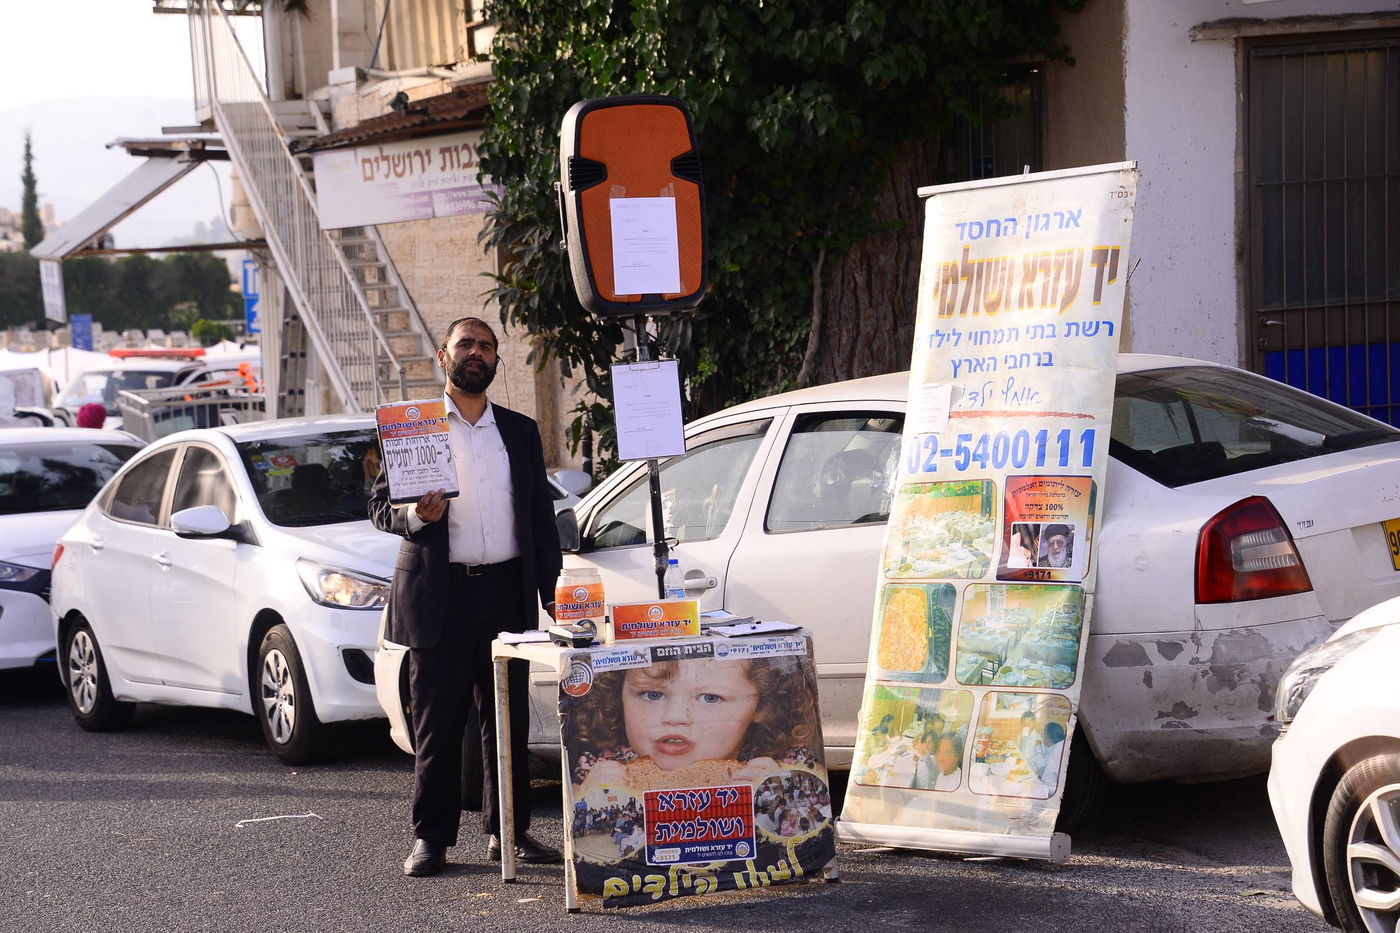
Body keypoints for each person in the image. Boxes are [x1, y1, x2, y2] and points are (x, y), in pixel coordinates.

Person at [368, 316, 563, 878]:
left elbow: (539, 518)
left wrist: (553, 596)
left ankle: (510, 832)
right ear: (443, 356)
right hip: (439, 595)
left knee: (508, 720)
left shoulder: (519, 431)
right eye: (466, 344)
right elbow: (379, 507)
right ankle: (431, 838)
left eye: (487, 346)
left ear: (496, 361)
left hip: (506, 591)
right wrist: (414, 515)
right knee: (438, 724)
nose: (476, 353)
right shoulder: (413, 428)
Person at [568, 655, 820, 788]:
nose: (675, 717)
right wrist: (594, 799)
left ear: (764, 706)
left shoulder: (786, 770)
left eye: (710, 698)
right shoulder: (600, 772)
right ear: (618, 696)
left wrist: (779, 797)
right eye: (652, 695)